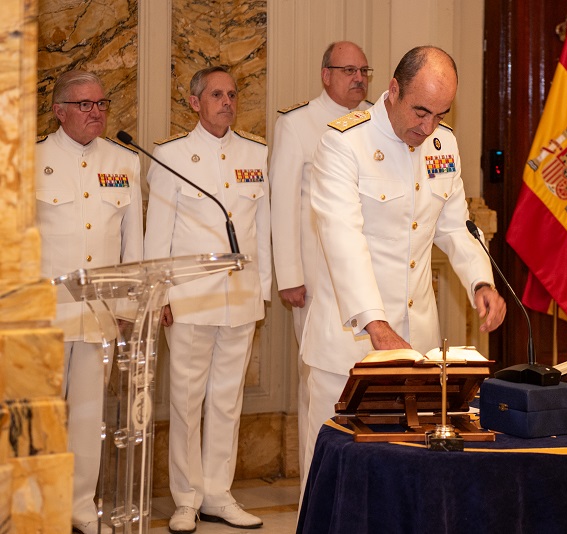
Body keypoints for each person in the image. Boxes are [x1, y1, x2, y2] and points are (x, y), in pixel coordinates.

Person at [302, 46, 507, 487]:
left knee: (406, 479)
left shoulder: (443, 144)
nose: (428, 127)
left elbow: (455, 226)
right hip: (350, 346)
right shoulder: (344, 143)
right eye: (420, 111)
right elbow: (342, 239)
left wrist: (480, 281)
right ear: (393, 90)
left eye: (440, 114)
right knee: (335, 481)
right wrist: (377, 325)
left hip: (417, 347)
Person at [144, 66, 271, 533]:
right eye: (217, 95)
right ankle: (186, 498)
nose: (227, 103)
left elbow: (263, 228)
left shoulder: (255, 153)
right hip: (190, 299)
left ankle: (218, 493)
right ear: (195, 102)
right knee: (185, 401)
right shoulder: (171, 155)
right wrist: (159, 294)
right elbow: (158, 232)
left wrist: (262, 289)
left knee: (226, 401)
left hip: (240, 297)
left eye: (232, 94)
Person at [36, 70, 143, 534]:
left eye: (101, 103)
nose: (96, 112)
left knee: (87, 417)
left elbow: (132, 244)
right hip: (43, 315)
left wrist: (127, 308)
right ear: (59, 111)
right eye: (84, 104)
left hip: (98, 316)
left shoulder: (124, 162)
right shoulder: (30, 160)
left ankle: (80, 507)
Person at [268, 41, 372, 477]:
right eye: (349, 70)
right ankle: (315, 486)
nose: (359, 78)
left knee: (368, 386)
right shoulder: (297, 124)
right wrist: (290, 274)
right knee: (318, 384)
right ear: (326, 75)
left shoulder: (377, 121)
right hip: (315, 279)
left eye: (364, 71)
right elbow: (283, 204)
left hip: (367, 282)